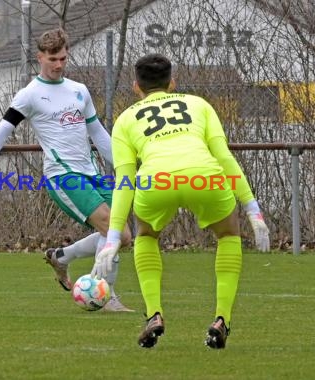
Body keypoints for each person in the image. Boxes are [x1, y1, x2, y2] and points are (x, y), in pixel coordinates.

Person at [91, 53, 270, 348]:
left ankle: (153, 315)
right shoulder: (199, 104)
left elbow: (125, 179)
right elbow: (224, 156)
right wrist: (252, 207)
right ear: (172, 83)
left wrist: (112, 237)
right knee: (228, 235)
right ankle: (222, 319)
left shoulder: (125, 120)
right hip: (205, 176)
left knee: (146, 236)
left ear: (136, 86)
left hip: (156, 181)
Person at [0, 27, 133, 312]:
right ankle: (106, 295)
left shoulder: (79, 91)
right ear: (40, 57)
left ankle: (62, 257)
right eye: (53, 59)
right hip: (62, 177)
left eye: (63, 58)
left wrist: (126, 165)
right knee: (109, 225)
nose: (59, 64)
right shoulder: (30, 95)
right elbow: (1, 133)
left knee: (122, 236)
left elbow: (98, 134)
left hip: (92, 173)